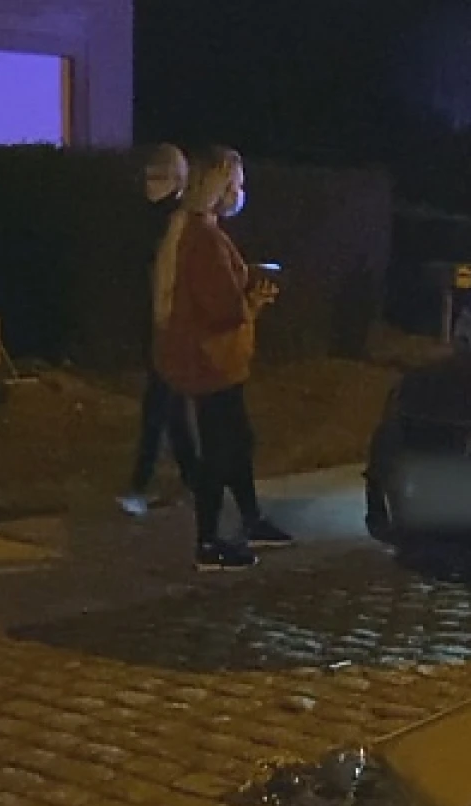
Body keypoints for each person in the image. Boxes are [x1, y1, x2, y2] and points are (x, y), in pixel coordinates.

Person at [153, 145, 294, 571]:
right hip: (210, 363)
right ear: (219, 185)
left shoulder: (197, 231)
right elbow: (223, 308)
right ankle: (209, 542)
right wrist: (254, 299)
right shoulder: (205, 238)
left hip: (213, 361)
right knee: (221, 448)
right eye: (236, 182)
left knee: (237, 441)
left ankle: (248, 520)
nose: (240, 190)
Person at [118, 143, 203, 517]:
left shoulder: (176, 221)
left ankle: (140, 484)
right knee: (171, 409)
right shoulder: (155, 218)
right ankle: (197, 480)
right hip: (158, 324)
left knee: (159, 405)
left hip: (170, 327)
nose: (152, 184)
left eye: (160, 177)